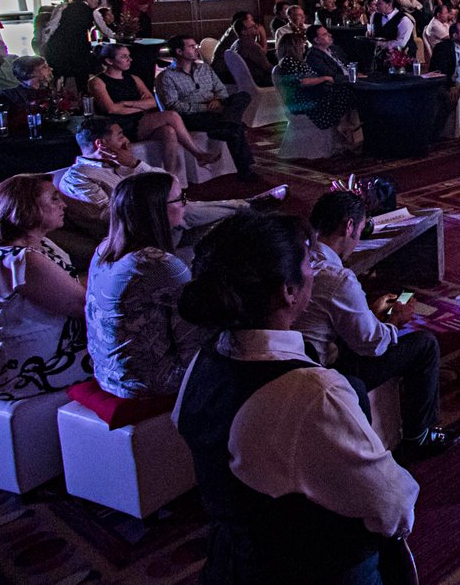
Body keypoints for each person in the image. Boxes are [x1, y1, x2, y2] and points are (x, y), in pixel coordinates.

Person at [174, 210, 418, 584]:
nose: (316, 268)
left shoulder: (205, 359)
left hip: (231, 558)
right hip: (310, 566)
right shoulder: (311, 392)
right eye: (309, 260)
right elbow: (392, 508)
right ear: (288, 291)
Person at [298, 191, 460, 464]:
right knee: (425, 345)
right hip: (323, 370)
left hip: (299, 355)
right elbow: (373, 345)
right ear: (348, 226)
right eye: (360, 231)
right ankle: (420, 437)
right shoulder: (337, 278)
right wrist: (396, 319)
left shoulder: (299, 258)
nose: (358, 240)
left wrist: (371, 313)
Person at [85, 172, 208, 399]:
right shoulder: (159, 265)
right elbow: (193, 338)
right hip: (147, 383)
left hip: (106, 374)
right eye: (180, 198)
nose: (185, 204)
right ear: (156, 210)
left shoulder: (104, 249)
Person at [0, 174, 89, 401]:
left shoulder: (35, 246)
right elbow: (85, 307)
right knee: (134, 355)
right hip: (17, 373)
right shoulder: (21, 259)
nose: (63, 204)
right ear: (27, 208)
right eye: (54, 199)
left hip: (22, 359)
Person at [60, 116, 274, 231]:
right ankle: (249, 208)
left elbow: (170, 183)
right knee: (184, 211)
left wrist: (135, 164)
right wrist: (155, 205)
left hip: (161, 210)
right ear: (101, 144)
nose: (126, 140)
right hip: (140, 226)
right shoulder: (79, 177)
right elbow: (106, 217)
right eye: (120, 136)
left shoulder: (122, 162)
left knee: (188, 207)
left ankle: (247, 206)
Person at [90, 44, 221, 177]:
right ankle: (198, 154)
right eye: (124, 57)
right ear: (109, 61)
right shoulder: (97, 81)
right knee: (172, 115)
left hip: (139, 122)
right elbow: (111, 109)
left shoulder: (134, 78)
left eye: (129, 56)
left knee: (169, 131)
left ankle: (169, 177)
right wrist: (139, 106)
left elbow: (152, 102)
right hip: (120, 125)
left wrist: (125, 103)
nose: (129, 59)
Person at [157, 34, 256, 180]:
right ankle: (245, 170)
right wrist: (204, 107)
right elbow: (173, 106)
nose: (196, 49)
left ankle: (227, 124)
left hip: (216, 108)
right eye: (191, 46)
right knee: (236, 127)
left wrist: (219, 100)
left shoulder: (205, 69)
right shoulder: (167, 77)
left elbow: (221, 90)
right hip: (191, 116)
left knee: (243, 96)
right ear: (179, 52)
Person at [273, 32, 357, 135]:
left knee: (346, 92)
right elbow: (301, 82)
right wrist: (324, 78)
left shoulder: (292, 61)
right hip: (305, 101)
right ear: (294, 46)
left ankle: (344, 127)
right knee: (347, 93)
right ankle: (343, 126)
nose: (304, 45)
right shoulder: (289, 61)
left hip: (308, 97)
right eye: (301, 43)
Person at [44, 0, 103, 89]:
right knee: (82, 76)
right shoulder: (91, 11)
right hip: (77, 48)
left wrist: (44, 43)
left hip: (57, 46)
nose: (97, 1)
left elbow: (51, 27)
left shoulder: (64, 7)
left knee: (58, 77)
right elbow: (104, 29)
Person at [0, 54, 58, 125]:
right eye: (44, 67)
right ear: (30, 73)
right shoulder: (9, 97)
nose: (51, 69)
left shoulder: (49, 92)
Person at [369, 0, 416, 69]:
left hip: (402, 57)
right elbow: (372, 33)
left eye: (379, 3)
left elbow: (401, 43)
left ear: (389, 5)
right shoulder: (374, 16)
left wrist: (381, 44)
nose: (376, 5)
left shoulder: (404, 20)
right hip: (381, 56)